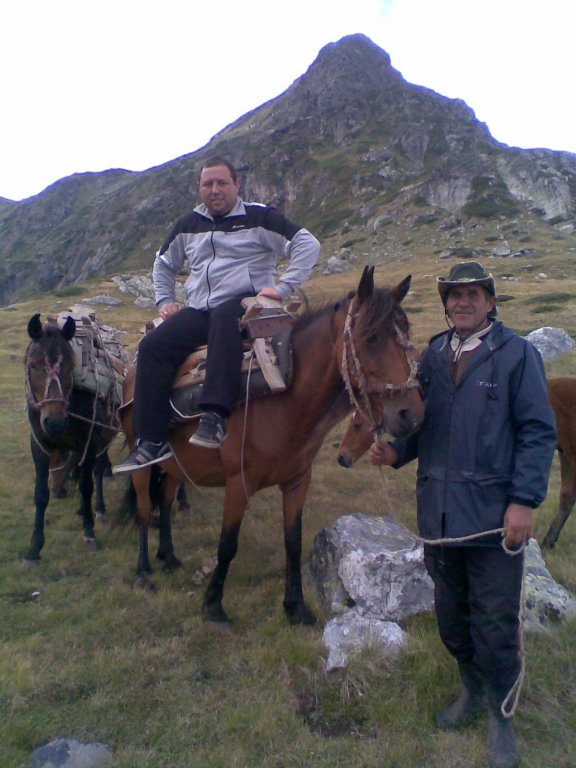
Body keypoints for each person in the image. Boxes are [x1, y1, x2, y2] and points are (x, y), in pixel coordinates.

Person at [370, 262, 556, 768]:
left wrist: (523, 502)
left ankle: (500, 715)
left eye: (473, 294)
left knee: (494, 624)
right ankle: (470, 690)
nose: (462, 302)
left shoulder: (518, 355)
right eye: (454, 295)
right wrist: (397, 452)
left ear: (490, 302)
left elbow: (538, 432)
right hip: (439, 517)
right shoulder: (432, 355)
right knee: (451, 620)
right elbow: (425, 423)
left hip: (494, 518)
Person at [113, 156, 320, 474]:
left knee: (224, 318)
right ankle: (150, 441)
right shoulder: (188, 225)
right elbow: (164, 263)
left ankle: (214, 417)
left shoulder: (259, 217)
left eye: (222, 182)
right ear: (199, 188)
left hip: (247, 304)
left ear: (237, 184)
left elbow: (307, 243)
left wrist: (282, 288)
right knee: (153, 346)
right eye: (207, 184)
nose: (215, 189)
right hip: (200, 309)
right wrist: (165, 299)